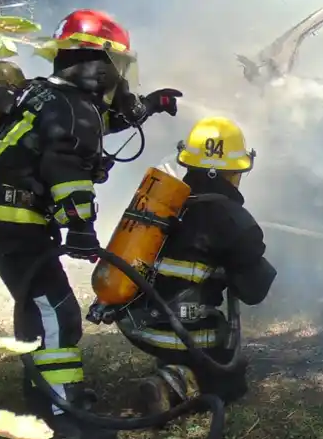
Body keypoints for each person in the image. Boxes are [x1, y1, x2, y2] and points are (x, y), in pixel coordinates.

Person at [0, 9, 181, 439]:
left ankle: (45, 393)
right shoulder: (71, 107)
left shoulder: (50, 95)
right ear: (96, 64)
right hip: (11, 218)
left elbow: (96, 125)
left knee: (37, 305)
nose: (118, 76)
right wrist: (80, 228)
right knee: (56, 311)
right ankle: (64, 412)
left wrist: (150, 106)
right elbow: (66, 170)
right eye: (115, 65)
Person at [112, 116, 277, 417]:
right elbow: (253, 292)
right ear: (229, 173)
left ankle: (175, 364)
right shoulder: (234, 220)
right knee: (231, 377)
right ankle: (171, 383)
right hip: (179, 333)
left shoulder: (166, 202)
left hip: (134, 323)